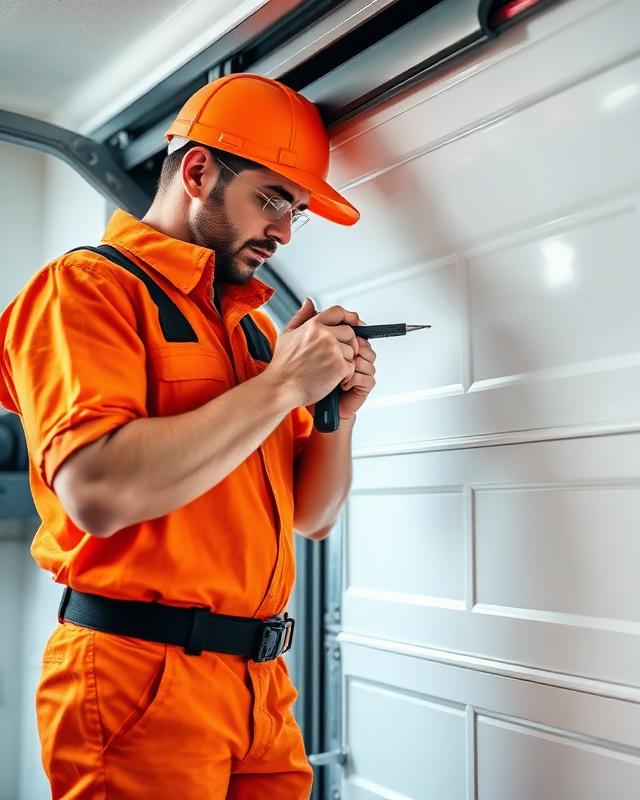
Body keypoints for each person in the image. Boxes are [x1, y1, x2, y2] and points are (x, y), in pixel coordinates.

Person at [0, 73, 375, 799]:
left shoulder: (254, 332)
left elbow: (312, 515)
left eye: (296, 211)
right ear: (199, 172)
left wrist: (339, 411)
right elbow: (99, 492)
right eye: (271, 199)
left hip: (260, 688)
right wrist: (284, 387)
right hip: (139, 678)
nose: (284, 231)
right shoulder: (85, 289)